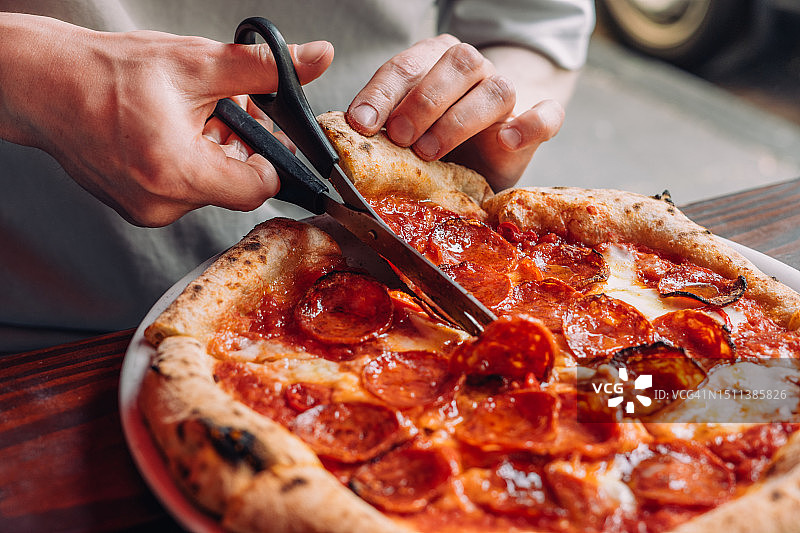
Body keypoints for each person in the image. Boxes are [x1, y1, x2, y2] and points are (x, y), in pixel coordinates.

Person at [0, 1, 594, 352]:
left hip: (409, 248)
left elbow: (531, 21)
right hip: (47, 339)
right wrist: (31, 74)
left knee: (666, 408)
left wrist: (493, 112)